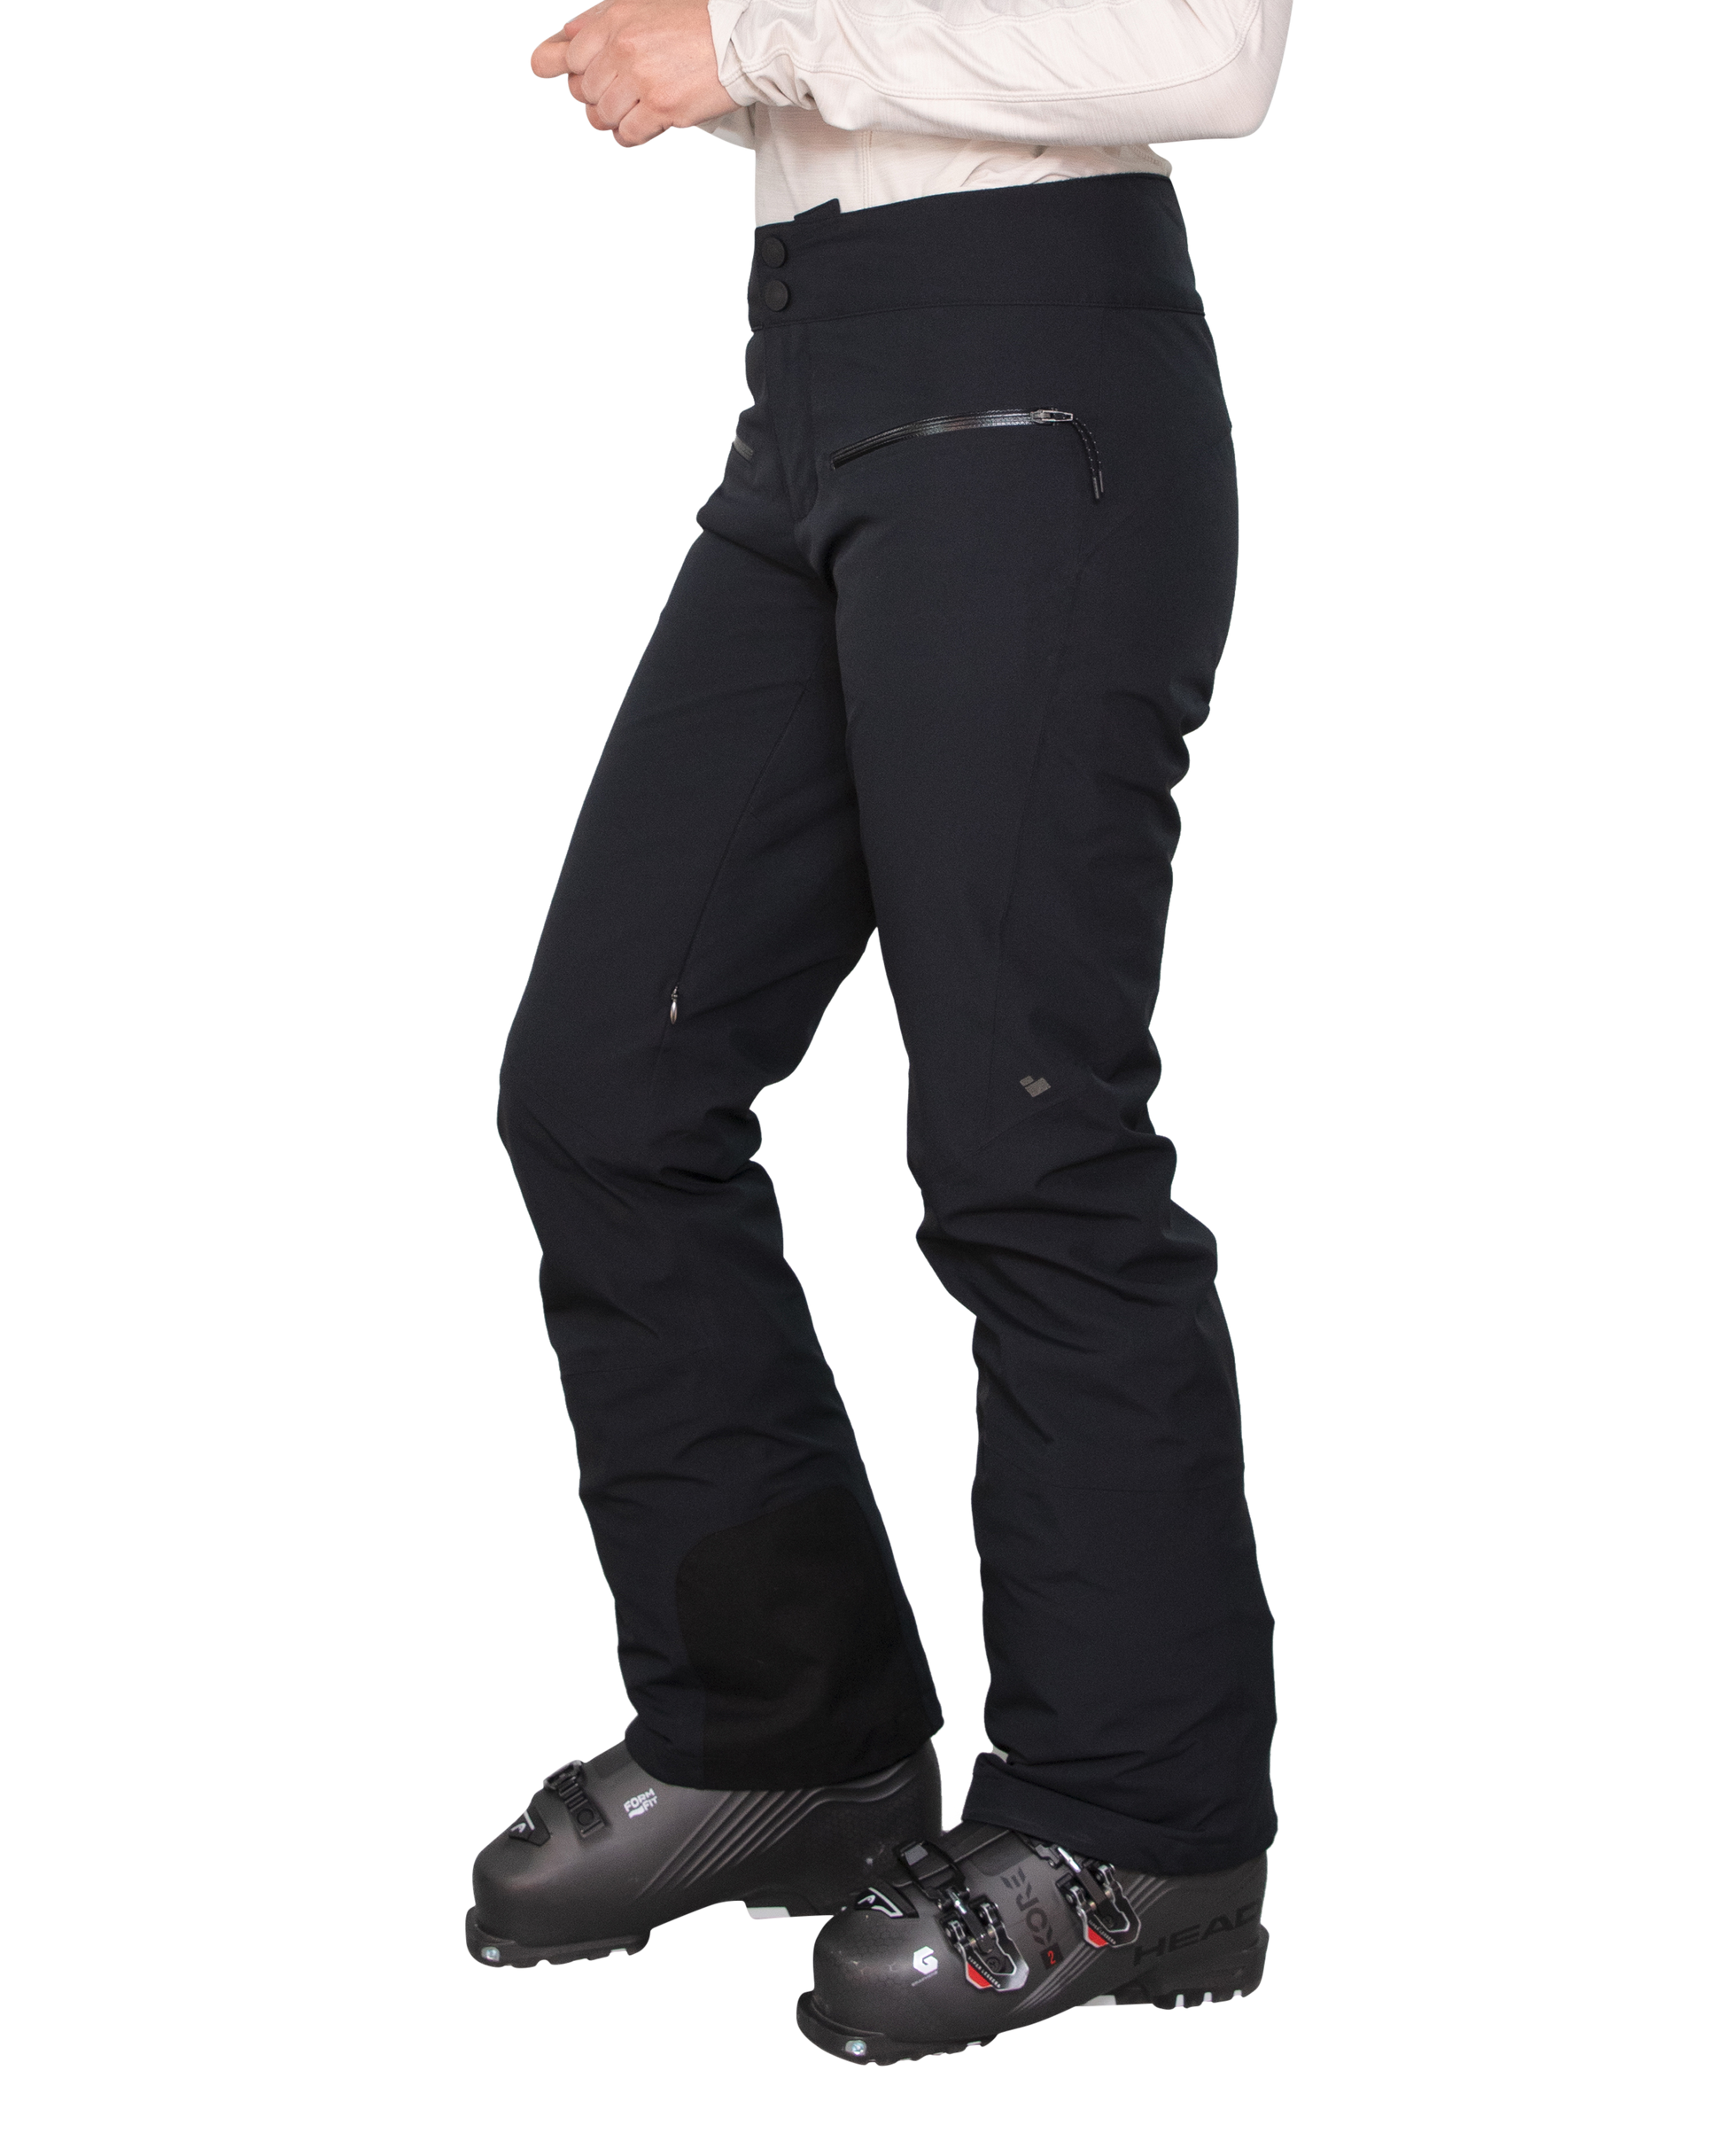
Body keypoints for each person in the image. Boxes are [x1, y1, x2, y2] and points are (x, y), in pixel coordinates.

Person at [465, 0, 1294, 2065]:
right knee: (604, 1080)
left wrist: (747, 37)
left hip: (1033, 382)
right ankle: (789, 1736)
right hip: (809, 382)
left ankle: (1143, 1832)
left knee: (1029, 1135)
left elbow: (1208, 55)